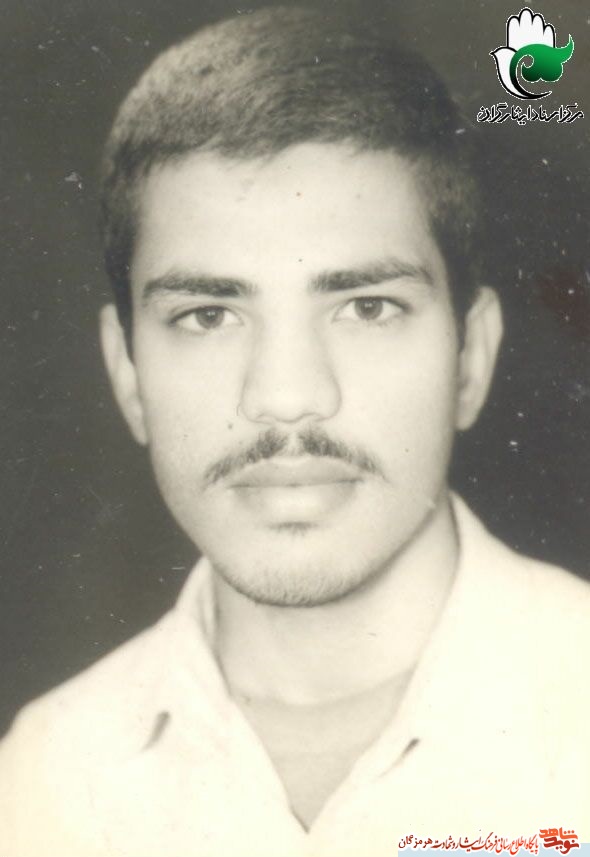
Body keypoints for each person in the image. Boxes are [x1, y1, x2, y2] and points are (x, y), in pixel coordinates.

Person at [0, 6, 588, 856]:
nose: (285, 396)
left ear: (471, 356)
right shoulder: (40, 778)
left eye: (367, 307)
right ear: (127, 373)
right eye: (208, 315)